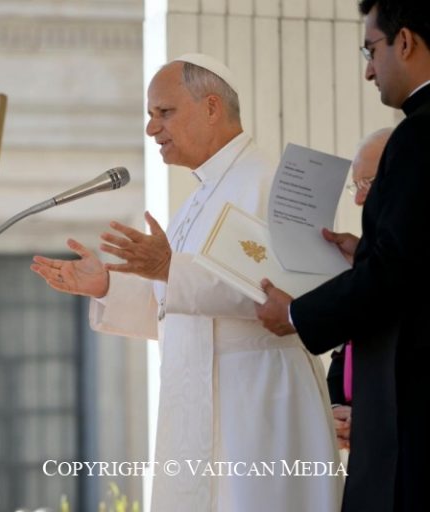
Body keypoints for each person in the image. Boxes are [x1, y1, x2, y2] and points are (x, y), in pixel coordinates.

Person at [32, 54, 342, 511]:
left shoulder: (271, 182)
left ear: (212, 107)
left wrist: (167, 268)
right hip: (196, 400)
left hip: (258, 405)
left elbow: (287, 297)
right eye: (150, 114)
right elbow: (180, 309)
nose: (151, 128)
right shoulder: (199, 195)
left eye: (164, 112)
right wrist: (108, 287)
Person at [255, 1, 430, 510]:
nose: (369, 70)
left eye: (370, 49)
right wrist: (366, 252)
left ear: (405, 41)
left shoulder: (418, 135)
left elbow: (397, 271)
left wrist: (296, 314)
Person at [328, 127, 392, 450]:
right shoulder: (368, 258)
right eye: (356, 185)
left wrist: (369, 420)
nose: (358, 199)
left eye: (368, 183)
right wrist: (336, 411)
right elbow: (346, 356)